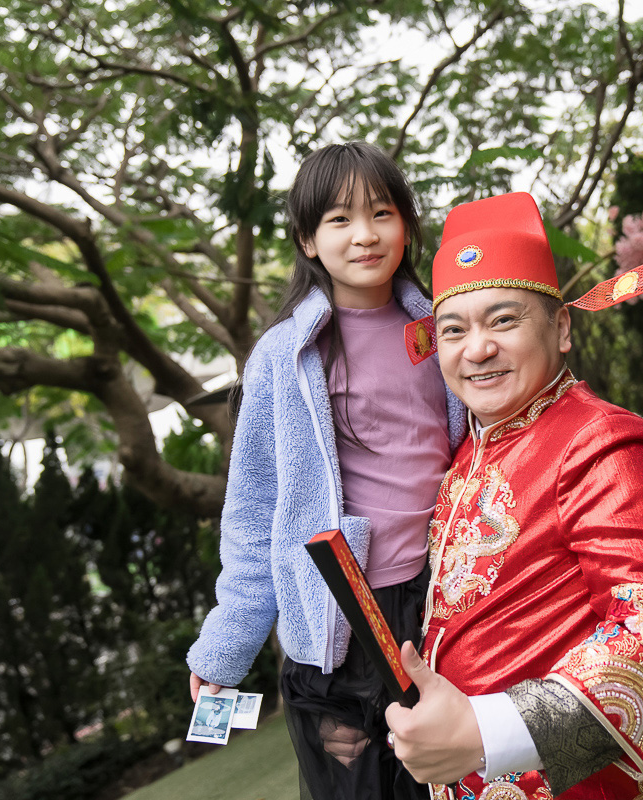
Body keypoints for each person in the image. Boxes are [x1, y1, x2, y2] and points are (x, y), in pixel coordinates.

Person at [384, 192, 643, 800]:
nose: (475, 349)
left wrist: (486, 733)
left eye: (503, 320)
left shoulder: (603, 443)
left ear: (561, 327)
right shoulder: (467, 455)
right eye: (453, 330)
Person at [186, 142, 466, 800]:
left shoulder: (448, 328)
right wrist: (227, 646)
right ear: (307, 240)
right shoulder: (285, 355)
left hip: (442, 602)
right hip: (339, 626)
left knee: (459, 783)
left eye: (382, 213)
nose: (365, 235)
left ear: (407, 226)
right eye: (339, 220)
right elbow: (256, 511)